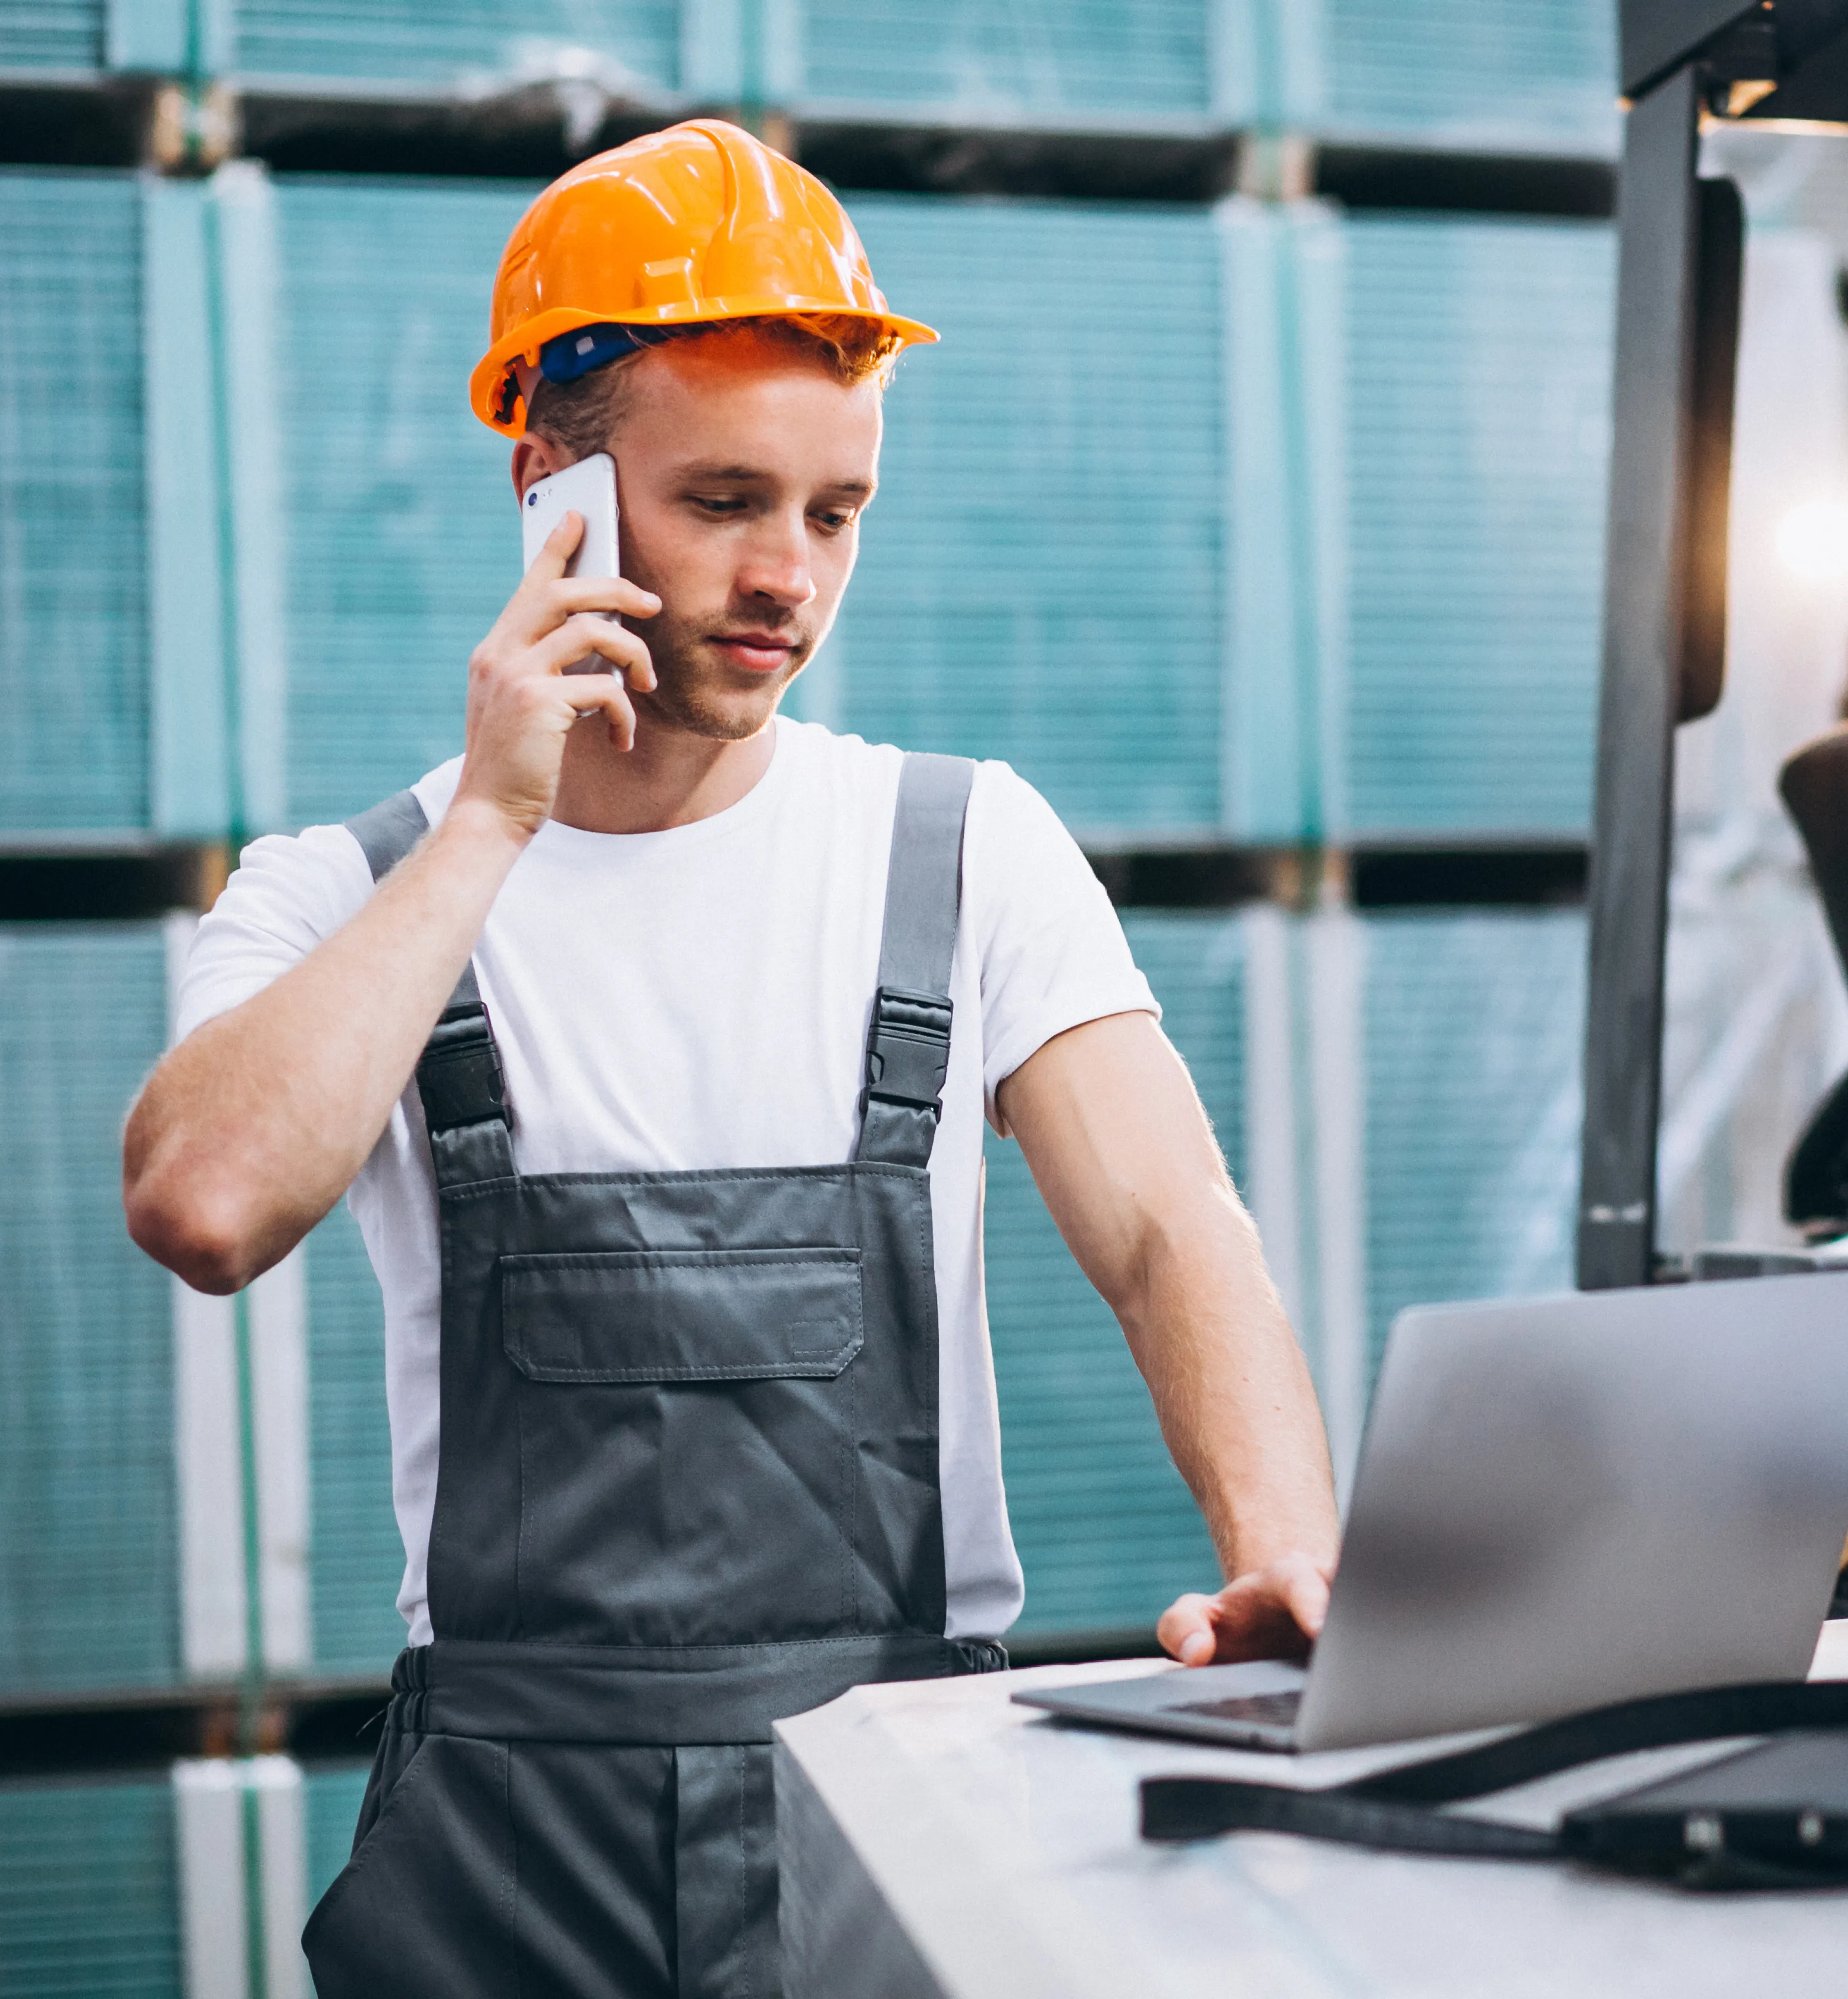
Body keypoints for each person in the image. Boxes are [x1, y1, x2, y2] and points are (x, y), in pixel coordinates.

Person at [120, 120, 1339, 1995]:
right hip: (510, 1849)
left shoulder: (962, 847)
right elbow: (203, 1206)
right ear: (556, 492)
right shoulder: (351, 892)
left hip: (898, 1805)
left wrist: (1289, 1561)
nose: (790, 575)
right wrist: (488, 832)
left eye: (835, 512)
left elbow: (1173, 1223)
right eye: (723, 502)